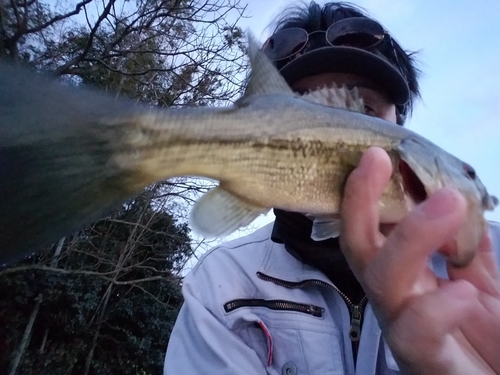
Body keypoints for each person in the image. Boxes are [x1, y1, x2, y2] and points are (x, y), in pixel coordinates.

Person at [164, 2, 500, 374]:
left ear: (400, 126)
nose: (332, 134)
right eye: (301, 111)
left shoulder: (494, 268)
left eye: (366, 111)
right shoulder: (220, 283)